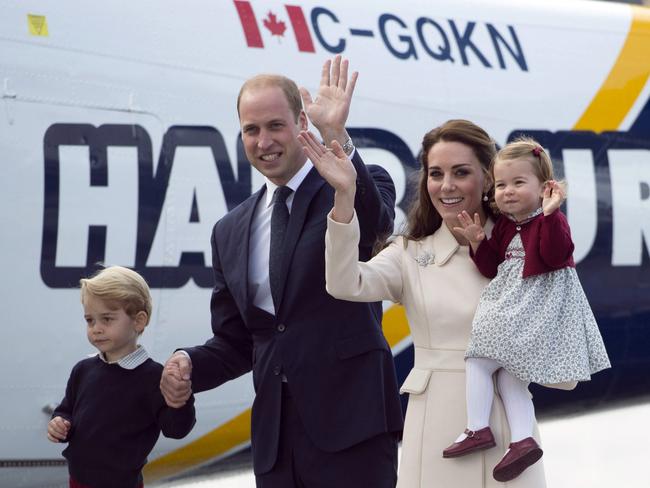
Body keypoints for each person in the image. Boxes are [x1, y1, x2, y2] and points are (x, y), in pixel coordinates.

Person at [159, 55, 403, 488]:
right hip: (276, 443)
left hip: (353, 429)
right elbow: (239, 341)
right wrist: (188, 365)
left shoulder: (346, 186)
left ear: (301, 123)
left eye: (275, 125)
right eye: (251, 129)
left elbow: (377, 222)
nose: (263, 140)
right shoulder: (230, 231)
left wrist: (338, 137)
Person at [312, 119, 547, 487]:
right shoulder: (408, 254)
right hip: (437, 435)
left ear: (488, 179)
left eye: (461, 172)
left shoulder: (524, 249)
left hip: (509, 439)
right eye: (436, 173)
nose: (447, 185)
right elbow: (344, 283)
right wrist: (344, 196)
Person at [443, 137, 610, 481]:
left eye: (518, 183)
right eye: (501, 185)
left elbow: (554, 254)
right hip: (517, 304)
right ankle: (522, 440)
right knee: (508, 375)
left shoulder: (552, 221)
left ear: (545, 187)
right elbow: (491, 267)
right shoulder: (505, 225)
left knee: (478, 357)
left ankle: (478, 428)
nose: (507, 192)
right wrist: (478, 241)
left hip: (534, 308)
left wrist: (550, 215)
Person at [47, 266, 196, 488]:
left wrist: (181, 398)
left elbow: (176, 429)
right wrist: (60, 423)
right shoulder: (83, 369)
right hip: (77, 480)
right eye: (90, 320)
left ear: (139, 321)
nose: (96, 328)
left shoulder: (153, 377)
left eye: (107, 319)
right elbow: (67, 409)